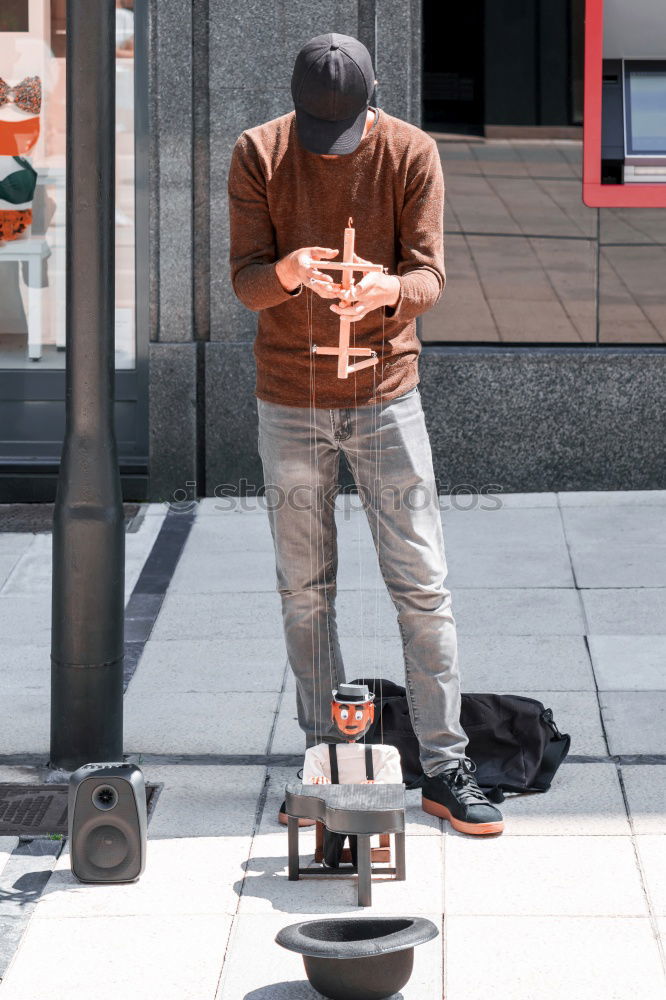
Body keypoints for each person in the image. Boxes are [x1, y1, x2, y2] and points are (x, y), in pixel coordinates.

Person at [227, 32, 504, 836]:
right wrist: (285, 274)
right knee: (304, 592)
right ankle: (326, 756)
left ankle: (445, 764)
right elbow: (245, 278)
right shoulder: (260, 152)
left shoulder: (411, 152)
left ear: (372, 101)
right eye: (318, 132)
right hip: (288, 393)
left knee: (421, 583)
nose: (327, 147)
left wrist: (387, 290)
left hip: (386, 394)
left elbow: (430, 274)